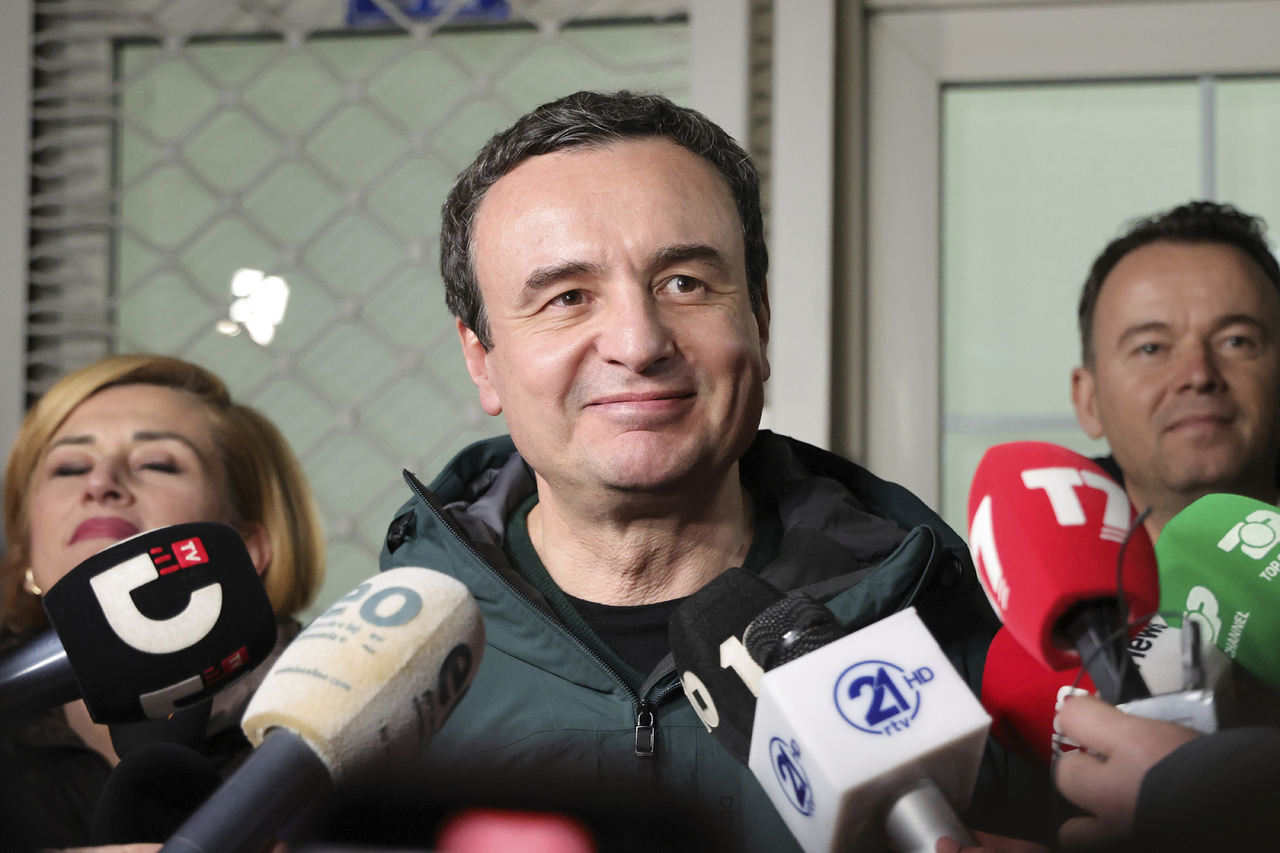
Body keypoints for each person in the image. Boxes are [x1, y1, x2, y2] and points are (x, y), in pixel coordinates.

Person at [380, 90, 1016, 852]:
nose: (639, 342)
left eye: (684, 282)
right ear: (481, 359)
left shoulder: (950, 636)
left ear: (760, 317)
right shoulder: (390, 681)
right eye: (568, 297)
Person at [0, 354, 325, 851]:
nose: (100, 482)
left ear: (247, 547)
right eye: (70, 466)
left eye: (157, 463)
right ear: (25, 550)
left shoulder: (338, 715)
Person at [1070, 201, 1280, 541]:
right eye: (1151, 348)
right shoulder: (1011, 566)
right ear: (1089, 402)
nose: (1198, 376)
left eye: (1236, 342)